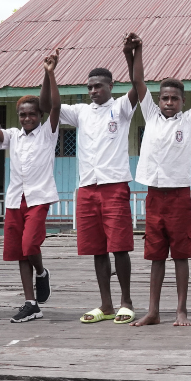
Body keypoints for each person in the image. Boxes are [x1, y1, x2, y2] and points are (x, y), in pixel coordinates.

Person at [131, 35, 191, 327]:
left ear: (183, 102)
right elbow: (138, 81)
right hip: (154, 197)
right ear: (158, 100)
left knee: (180, 255)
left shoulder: (189, 120)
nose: (169, 102)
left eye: (174, 98)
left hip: (179, 197)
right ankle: (153, 310)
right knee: (156, 255)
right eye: (165, 98)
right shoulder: (151, 116)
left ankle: (181, 309)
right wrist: (139, 50)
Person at [59, 34, 141, 324]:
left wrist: (131, 54)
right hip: (87, 188)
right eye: (90, 87)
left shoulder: (120, 108)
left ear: (110, 87)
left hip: (114, 185)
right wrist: (49, 73)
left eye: (99, 86)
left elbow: (138, 86)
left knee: (119, 246)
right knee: (97, 249)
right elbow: (48, 104)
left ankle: (126, 301)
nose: (93, 91)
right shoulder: (80, 112)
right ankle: (105, 305)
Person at [0, 51, 61, 323]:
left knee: (29, 245)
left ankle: (41, 273)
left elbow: (56, 107)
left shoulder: (48, 133)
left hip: (38, 197)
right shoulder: (13, 136)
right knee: (19, 252)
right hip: (15, 200)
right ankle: (30, 303)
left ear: (39, 115)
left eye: (32, 114)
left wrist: (49, 73)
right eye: (23, 115)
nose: (27, 118)